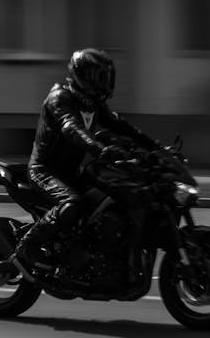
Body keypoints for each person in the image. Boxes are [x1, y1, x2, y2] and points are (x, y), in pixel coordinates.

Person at [14, 48, 160, 271]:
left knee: (110, 197)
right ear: (82, 76)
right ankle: (28, 246)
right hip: (44, 172)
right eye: (99, 77)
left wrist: (156, 148)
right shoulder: (60, 98)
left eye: (106, 77)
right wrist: (99, 148)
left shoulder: (94, 105)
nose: (104, 83)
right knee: (72, 203)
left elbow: (123, 127)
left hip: (72, 172)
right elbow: (71, 128)